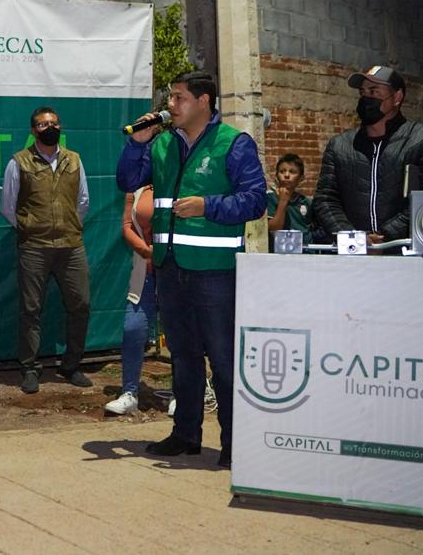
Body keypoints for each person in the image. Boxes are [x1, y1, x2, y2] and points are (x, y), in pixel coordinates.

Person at [116, 71, 267, 469]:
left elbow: (255, 202)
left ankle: (237, 443)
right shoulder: (161, 143)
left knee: (222, 358)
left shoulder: (233, 144)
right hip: (169, 267)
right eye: (170, 98)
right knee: (182, 357)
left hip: (215, 271)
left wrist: (208, 206)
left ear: (204, 102)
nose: (170, 105)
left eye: (179, 98)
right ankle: (185, 435)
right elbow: (127, 180)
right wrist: (136, 145)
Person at [0, 106, 91, 394]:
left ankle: (71, 365)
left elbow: (83, 201)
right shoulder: (19, 162)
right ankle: (29, 368)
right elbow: (8, 208)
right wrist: (31, 228)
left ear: (60, 127)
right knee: (31, 309)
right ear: (33, 130)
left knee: (81, 305)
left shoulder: (74, 160)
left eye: (53, 122)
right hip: (34, 247)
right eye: (42, 124)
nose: (49, 127)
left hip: (71, 245)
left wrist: (66, 225)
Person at [314, 65, 423, 250]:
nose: (366, 98)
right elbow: (325, 199)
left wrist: (385, 236)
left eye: (374, 91)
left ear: (396, 97)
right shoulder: (340, 145)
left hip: (406, 251)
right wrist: (353, 238)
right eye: (362, 92)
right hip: (352, 253)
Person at [104, 185, 157, 416]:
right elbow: (127, 226)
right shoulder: (136, 189)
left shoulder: (183, 178)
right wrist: (146, 251)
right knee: (132, 328)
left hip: (177, 273)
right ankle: (129, 393)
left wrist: (163, 251)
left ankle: (181, 396)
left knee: (179, 336)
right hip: (142, 272)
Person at [266, 153, 314, 251]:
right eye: (282, 171)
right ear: (276, 175)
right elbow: (274, 229)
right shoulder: (270, 198)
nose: (286, 175)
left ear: (301, 178)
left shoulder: (305, 202)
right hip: (280, 253)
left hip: (304, 253)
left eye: (292, 172)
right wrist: (283, 201)